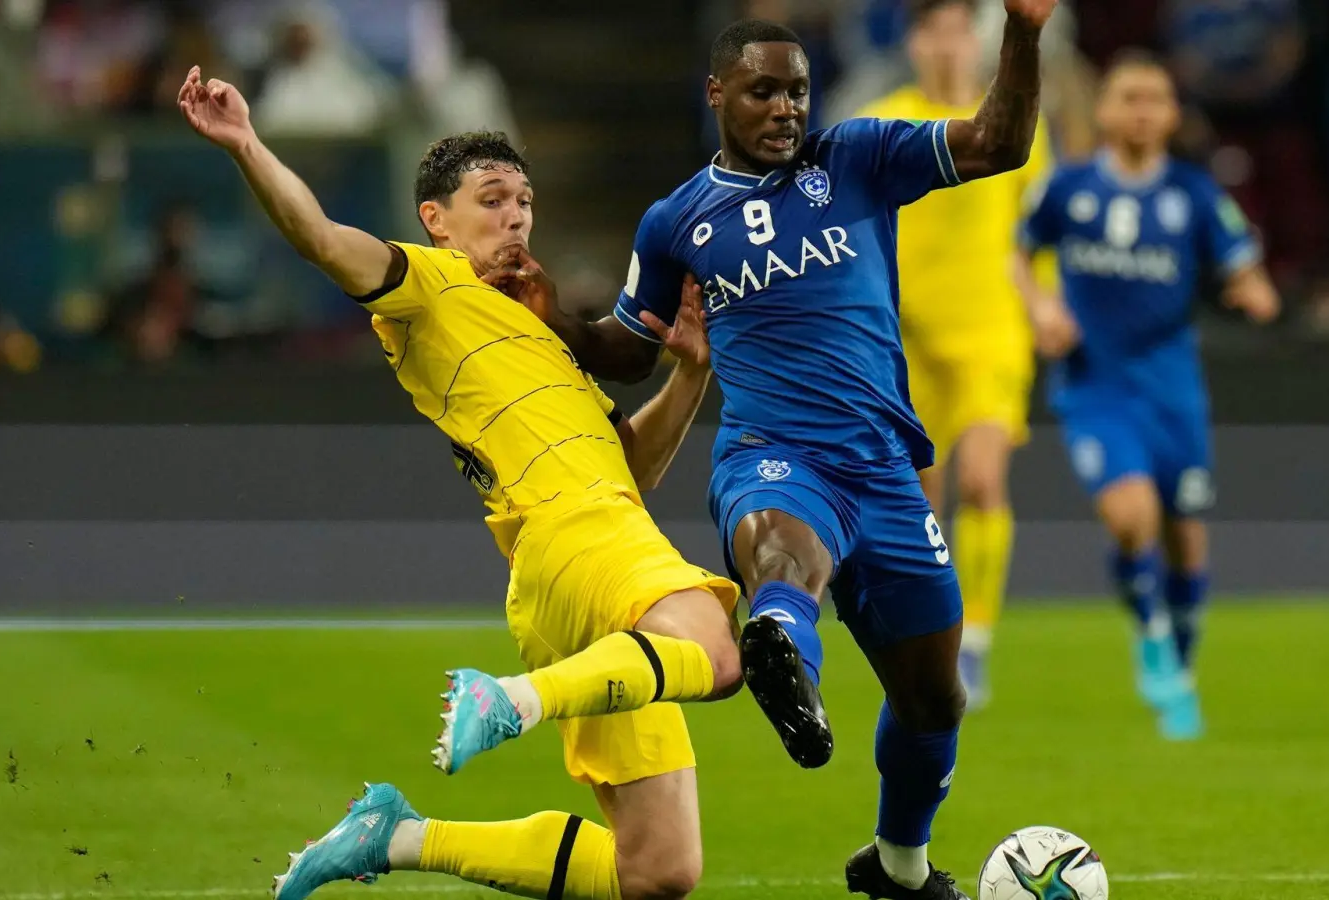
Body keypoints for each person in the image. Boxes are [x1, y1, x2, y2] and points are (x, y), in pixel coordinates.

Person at [494, 4, 1060, 897]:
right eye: (764, 91)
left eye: (798, 91)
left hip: (884, 467)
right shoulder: (676, 220)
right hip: (773, 453)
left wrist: (1023, 30)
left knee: (933, 701)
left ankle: (898, 865)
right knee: (782, 557)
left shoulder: (860, 157)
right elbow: (633, 350)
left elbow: (999, 143)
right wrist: (555, 319)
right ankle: (780, 650)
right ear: (717, 94)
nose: (787, 108)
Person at [177, 65, 774, 900]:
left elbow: (627, 468)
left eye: (524, 201)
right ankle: (510, 701)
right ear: (437, 221)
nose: (517, 216)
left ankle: (401, 836)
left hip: (582, 554)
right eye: (492, 199)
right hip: (576, 537)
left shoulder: (546, 333)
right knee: (716, 645)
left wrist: (689, 375)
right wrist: (247, 145)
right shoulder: (429, 282)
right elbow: (318, 236)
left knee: (658, 869)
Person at [1014, 52, 1279, 741]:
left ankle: (1178, 665)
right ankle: (1152, 636)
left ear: (1170, 114)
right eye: (1128, 97)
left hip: (1173, 391)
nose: (1140, 110)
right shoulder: (1066, 188)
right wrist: (1041, 306)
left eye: (1154, 99)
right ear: (1104, 111)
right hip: (1095, 383)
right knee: (1131, 516)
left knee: (1187, 542)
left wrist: (1251, 287)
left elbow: (1240, 260)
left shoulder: (1193, 194)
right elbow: (1017, 255)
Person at [857, 0, 1056, 712]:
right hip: (906, 338)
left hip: (991, 333)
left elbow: (1039, 229)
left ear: (975, 41)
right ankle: (934, 639)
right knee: (920, 503)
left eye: (957, 31)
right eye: (931, 32)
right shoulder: (886, 121)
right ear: (913, 43)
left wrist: (1045, 303)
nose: (946, 45)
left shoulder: (1010, 120)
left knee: (980, 480)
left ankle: (976, 640)